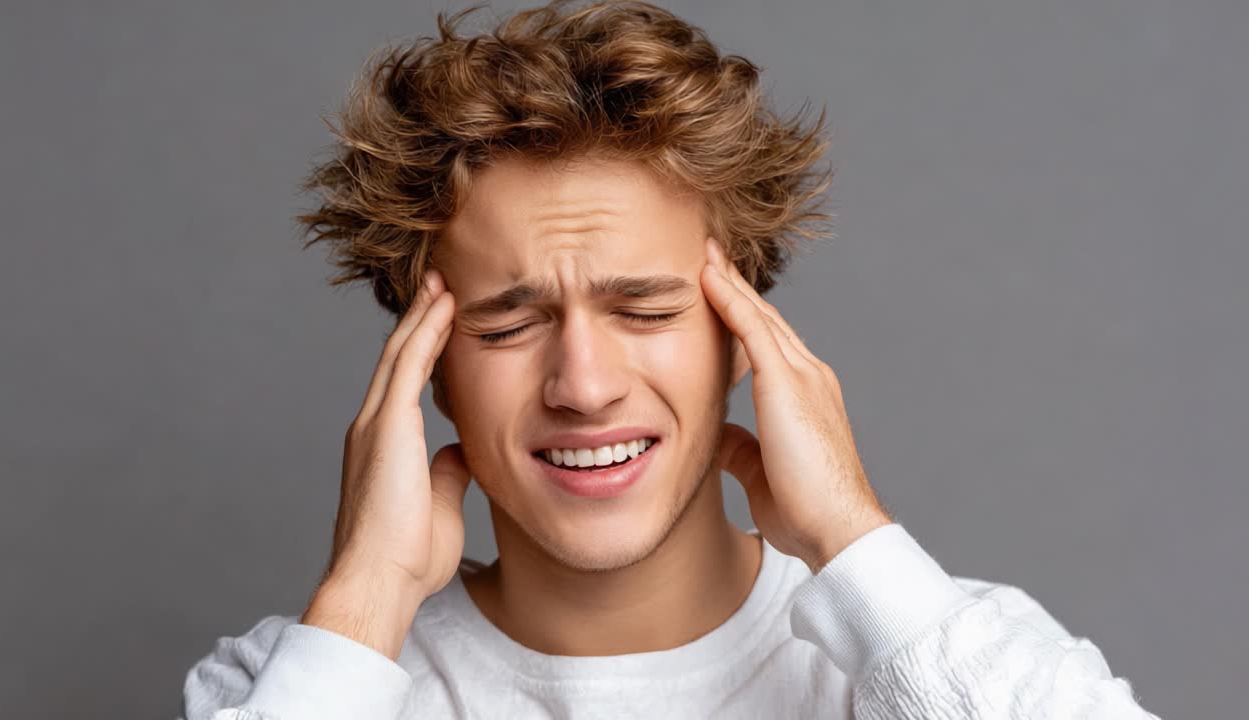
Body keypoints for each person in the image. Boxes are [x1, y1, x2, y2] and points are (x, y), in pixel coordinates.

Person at [180, 1, 1160, 717]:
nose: (583, 386)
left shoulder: (945, 653)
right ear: (426, 371)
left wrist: (852, 543)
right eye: (508, 325)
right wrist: (366, 597)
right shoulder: (302, 680)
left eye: (643, 309)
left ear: (741, 339)